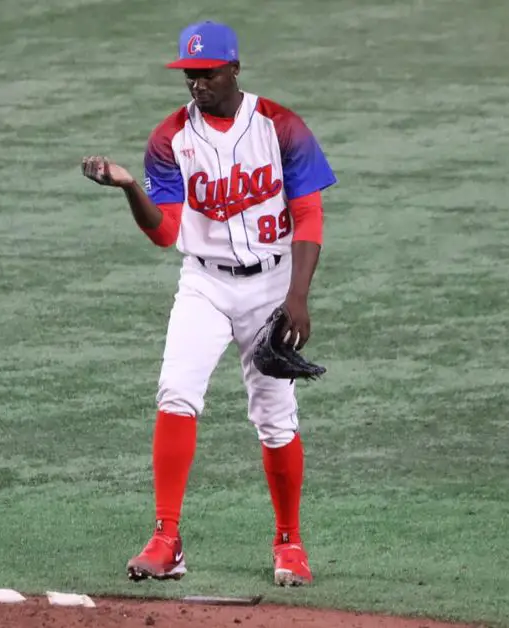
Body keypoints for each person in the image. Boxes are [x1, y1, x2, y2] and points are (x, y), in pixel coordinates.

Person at [79, 19, 336, 587]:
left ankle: (289, 543)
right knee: (176, 392)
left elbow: (310, 213)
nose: (197, 84)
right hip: (205, 283)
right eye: (189, 75)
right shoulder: (169, 139)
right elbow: (165, 232)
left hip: (272, 284)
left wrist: (298, 295)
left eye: (208, 73)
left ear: (234, 69)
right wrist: (130, 189)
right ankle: (167, 540)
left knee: (275, 418)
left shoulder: (281, 126)